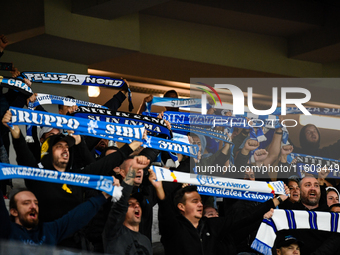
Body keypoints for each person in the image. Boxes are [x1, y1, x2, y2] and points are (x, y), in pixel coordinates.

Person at [153, 171, 289, 255]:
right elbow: (165, 211)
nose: (200, 204)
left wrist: (276, 200)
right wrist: (159, 187)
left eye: (200, 201)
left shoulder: (211, 225)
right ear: (181, 206)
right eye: (194, 201)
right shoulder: (173, 227)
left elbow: (242, 218)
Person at [0, 186, 112, 247]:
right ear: (14, 211)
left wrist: (103, 196)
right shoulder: (7, 230)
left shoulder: (49, 230)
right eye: (26, 203)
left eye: (36, 203)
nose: (33, 206)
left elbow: (75, 217)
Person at [102, 156, 153, 255]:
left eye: (138, 204)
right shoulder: (113, 233)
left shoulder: (146, 241)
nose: (136, 206)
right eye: (130, 204)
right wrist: (133, 169)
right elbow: (120, 205)